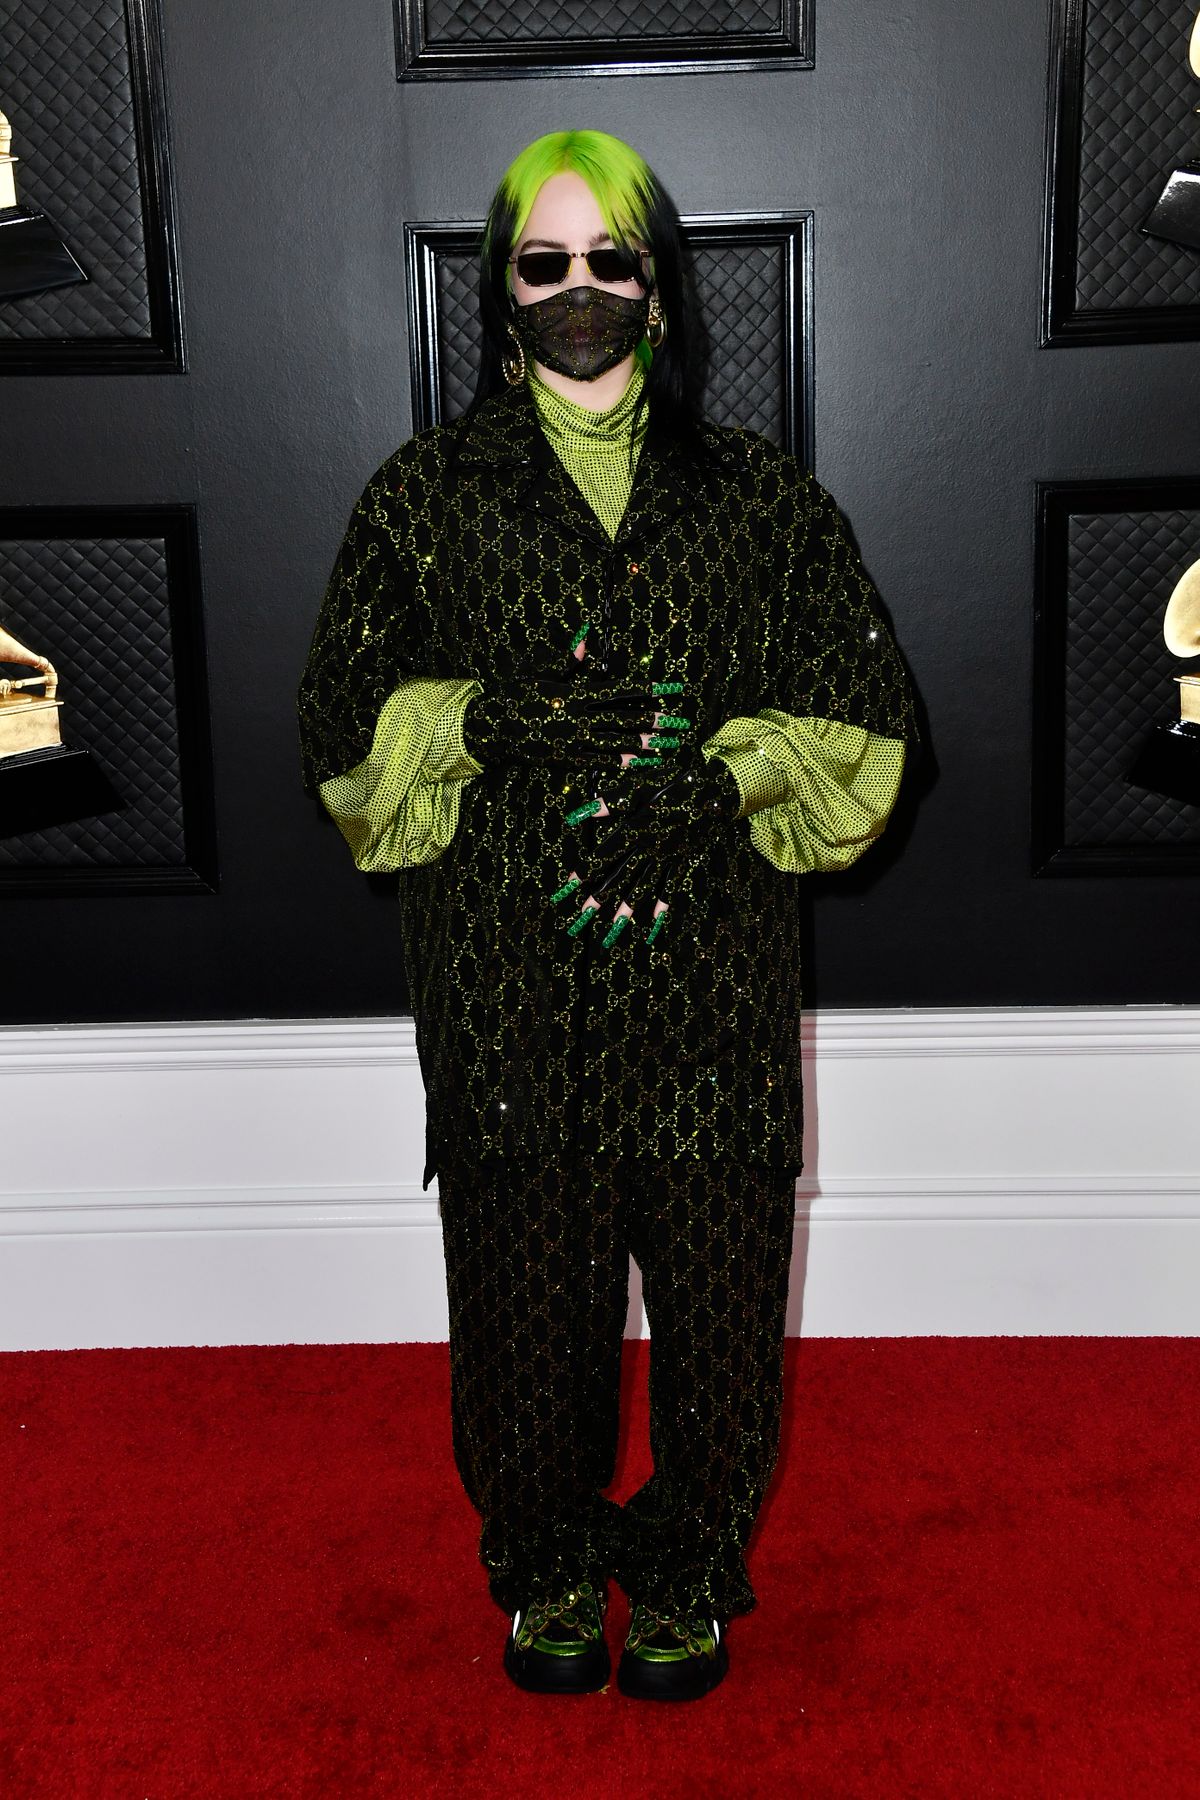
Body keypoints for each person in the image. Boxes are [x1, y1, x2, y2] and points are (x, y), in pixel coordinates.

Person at [298, 129, 916, 1703]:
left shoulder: (768, 505)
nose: (582, 292)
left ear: (662, 283)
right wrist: (489, 722)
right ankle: (551, 1568)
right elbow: (344, 736)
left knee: (717, 1318)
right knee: (523, 1323)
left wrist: (715, 788)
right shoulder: (422, 501)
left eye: (613, 260)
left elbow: (861, 725)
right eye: (544, 262)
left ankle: (697, 1566)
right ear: (499, 290)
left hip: (710, 985)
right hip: (506, 985)